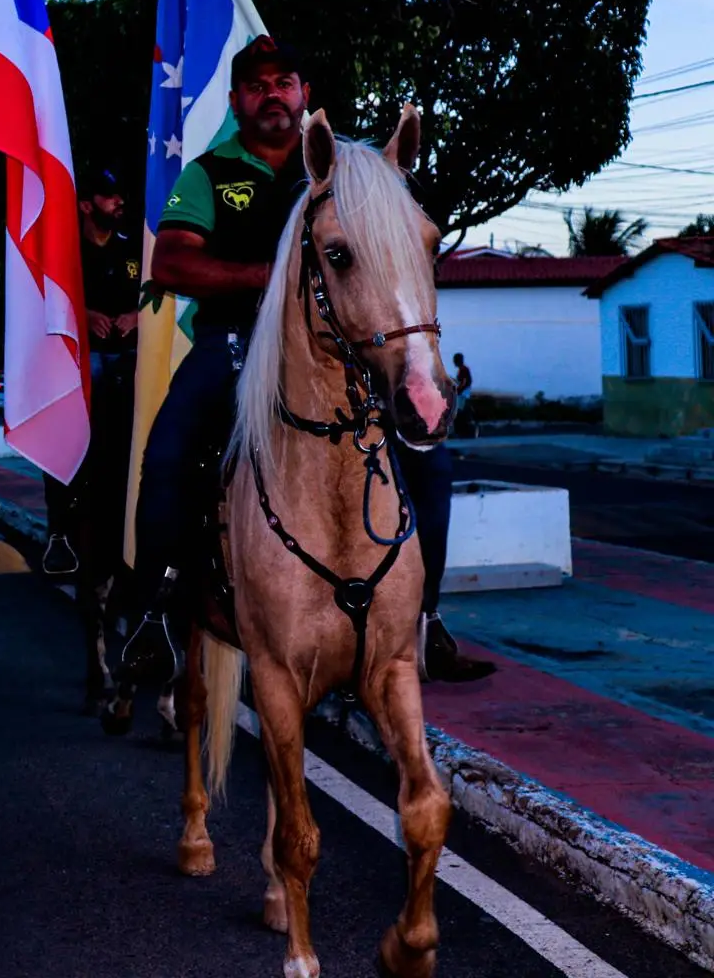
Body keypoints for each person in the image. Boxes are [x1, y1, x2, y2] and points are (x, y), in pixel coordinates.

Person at [118, 36, 491, 688]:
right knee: (171, 452)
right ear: (236, 101)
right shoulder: (209, 174)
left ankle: (426, 619)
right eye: (256, 85)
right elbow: (171, 263)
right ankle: (155, 615)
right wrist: (271, 277)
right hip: (233, 342)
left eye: (283, 82)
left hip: (342, 348)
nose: (272, 94)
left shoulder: (345, 168)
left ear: (304, 94)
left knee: (430, 460)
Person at [41, 166, 140, 576]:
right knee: (66, 446)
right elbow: (46, 298)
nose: (119, 202)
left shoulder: (135, 248)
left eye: (119, 195)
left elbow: (158, 292)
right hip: (79, 366)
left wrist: (137, 315)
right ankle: (59, 533)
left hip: (130, 361)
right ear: (86, 205)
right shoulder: (65, 253)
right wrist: (83, 315)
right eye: (108, 196)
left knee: (127, 448)